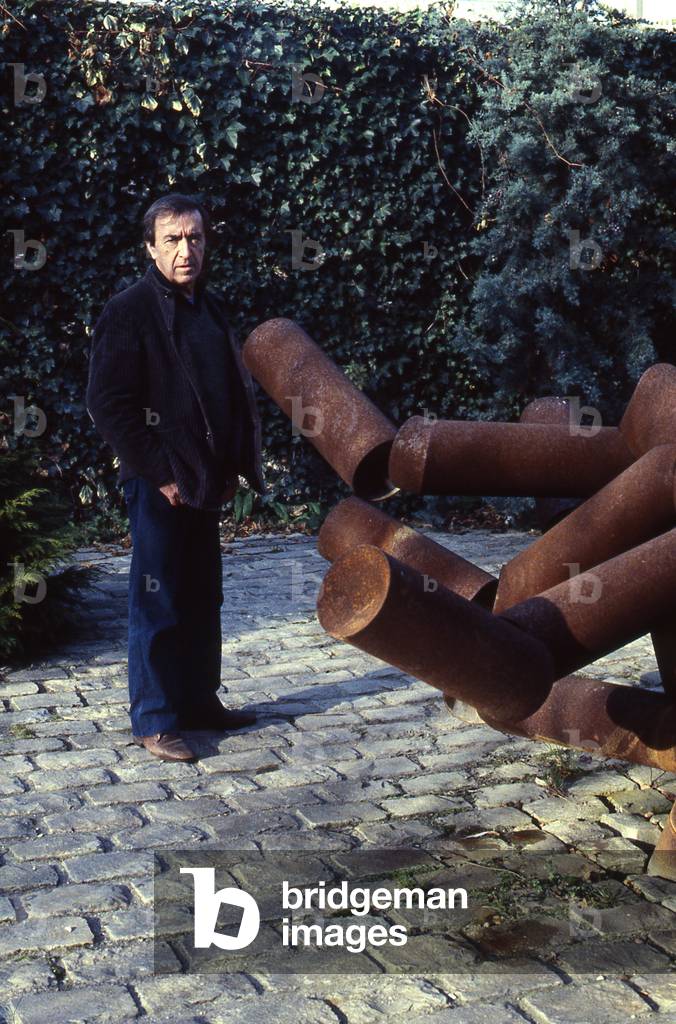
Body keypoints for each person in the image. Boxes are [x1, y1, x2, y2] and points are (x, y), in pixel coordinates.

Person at [85, 193, 266, 762]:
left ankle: (198, 703)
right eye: (172, 239)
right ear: (151, 248)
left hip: (207, 480)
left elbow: (230, 397)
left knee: (201, 595)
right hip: (159, 481)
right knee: (157, 597)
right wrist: (160, 473)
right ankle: (156, 719)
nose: (185, 249)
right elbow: (107, 404)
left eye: (194, 238)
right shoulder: (129, 310)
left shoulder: (209, 310)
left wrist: (236, 466)